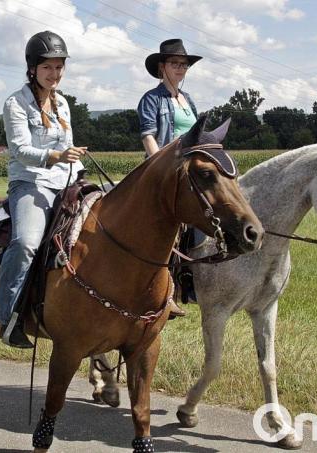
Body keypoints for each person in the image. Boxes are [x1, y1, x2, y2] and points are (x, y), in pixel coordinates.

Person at [0, 31, 86, 348]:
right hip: (31, 182)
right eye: (48, 67)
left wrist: (77, 166)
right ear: (32, 68)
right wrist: (56, 157)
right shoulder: (15, 104)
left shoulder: (62, 103)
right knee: (26, 243)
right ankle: (6, 318)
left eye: (59, 67)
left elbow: (68, 144)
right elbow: (20, 149)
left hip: (67, 179)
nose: (54, 74)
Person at [137, 39, 205, 314]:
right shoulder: (152, 99)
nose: (181, 68)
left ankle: (193, 280)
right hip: (167, 172)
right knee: (168, 231)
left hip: (192, 172)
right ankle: (168, 291)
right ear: (161, 67)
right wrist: (160, 168)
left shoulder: (188, 100)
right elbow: (148, 136)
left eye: (184, 64)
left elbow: (198, 136)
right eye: (175, 64)